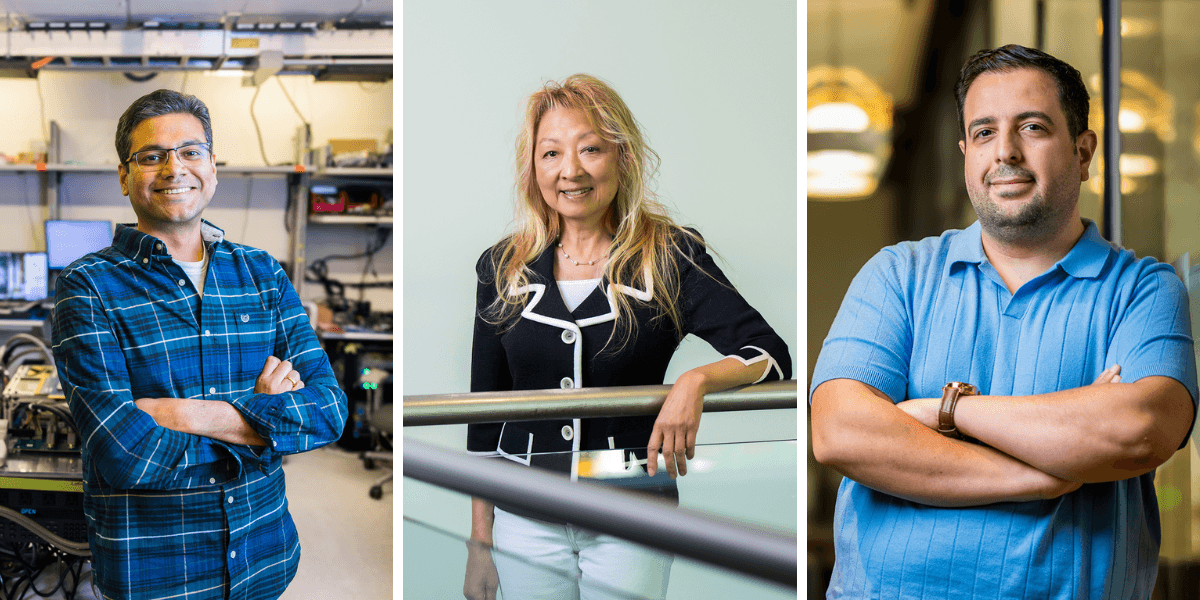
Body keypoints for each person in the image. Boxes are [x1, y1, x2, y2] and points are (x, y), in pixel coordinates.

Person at [810, 44, 1198, 599]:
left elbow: (1136, 431)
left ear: (1083, 153)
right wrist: (1044, 476)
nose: (1006, 153)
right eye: (985, 132)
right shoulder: (898, 276)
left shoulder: (1142, 290)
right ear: (966, 152)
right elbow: (839, 431)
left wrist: (948, 410)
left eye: (1033, 127)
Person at [463, 74, 791, 600]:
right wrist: (481, 542)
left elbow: (771, 355)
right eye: (551, 154)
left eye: (590, 148)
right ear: (533, 168)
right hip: (522, 517)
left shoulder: (670, 256)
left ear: (622, 157)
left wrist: (697, 381)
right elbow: (483, 416)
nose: (570, 171)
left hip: (633, 513)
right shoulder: (502, 266)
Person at [51, 89, 348, 600]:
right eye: (152, 156)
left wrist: (190, 414)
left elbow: (327, 411)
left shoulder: (261, 274)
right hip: (156, 573)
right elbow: (122, 450)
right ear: (124, 175)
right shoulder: (88, 285)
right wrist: (264, 423)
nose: (175, 168)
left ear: (213, 167)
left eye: (191, 151)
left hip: (264, 557)